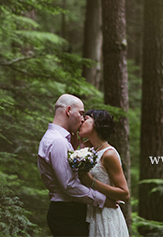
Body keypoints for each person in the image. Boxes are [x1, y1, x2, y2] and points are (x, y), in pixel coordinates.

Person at [38, 94, 118, 236]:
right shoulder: (59, 142)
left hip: (69, 211)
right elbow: (69, 185)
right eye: (81, 113)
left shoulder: (59, 140)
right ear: (68, 111)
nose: (82, 119)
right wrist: (102, 200)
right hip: (67, 213)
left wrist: (76, 149)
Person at [78, 109, 129, 237]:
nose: (82, 121)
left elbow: (124, 194)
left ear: (97, 123)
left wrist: (92, 182)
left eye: (86, 119)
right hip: (93, 214)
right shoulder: (91, 151)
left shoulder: (109, 154)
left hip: (107, 216)